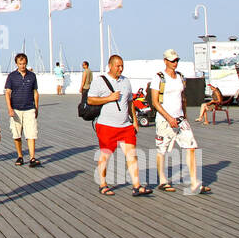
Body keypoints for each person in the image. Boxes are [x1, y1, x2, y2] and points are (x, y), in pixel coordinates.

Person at [88, 55, 150, 196]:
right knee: (105, 155)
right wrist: (108, 98)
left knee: (131, 155)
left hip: (125, 125)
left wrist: (134, 120)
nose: (120, 69)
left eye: (122, 66)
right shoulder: (100, 82)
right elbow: (90, 100)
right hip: (107, 125)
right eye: (118, 66)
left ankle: (136, 185)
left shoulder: (126, 81)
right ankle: (103, 184)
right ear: (110, 66)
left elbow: (130, 102)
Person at [149, 49, 210, 194]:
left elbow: (183, 98)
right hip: (164, 119)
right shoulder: (159, 78)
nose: (175, 63)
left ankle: (194, 182)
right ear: (165, 61)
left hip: (180, 118)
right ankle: (163, 180)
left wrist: (185, 115)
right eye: (172, 60)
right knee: (162, 150)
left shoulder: (181, 77)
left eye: (176, 60)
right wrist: (169, 118)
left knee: (191, 147)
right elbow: (155, 102)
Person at [4, 52, 40, 166]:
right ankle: (20, 156)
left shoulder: (32, 76)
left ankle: (32, 157)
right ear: (16, 64)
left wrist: (36, 107)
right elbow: (7, 93)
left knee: (31, 134)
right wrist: (9, 108)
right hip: (16, 109)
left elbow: (35, 92)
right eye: (20, 64)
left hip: (29, 108)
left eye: (24, 64)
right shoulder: (11, 76)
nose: (22, 66)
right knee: (17, 134)